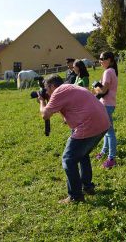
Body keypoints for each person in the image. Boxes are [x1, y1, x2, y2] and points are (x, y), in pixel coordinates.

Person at [38, 74, 110, 204]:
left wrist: (42, 101)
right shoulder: (70, 88)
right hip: (103, 123)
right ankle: (87, 187)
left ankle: (75, 196)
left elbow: (45, 115)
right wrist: (53, 103)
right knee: (82, 154)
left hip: (89, 125)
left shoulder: (59, 91)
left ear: (52, 86)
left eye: (47, 89)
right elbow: (66, 120)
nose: (46, 92)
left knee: (68, 159)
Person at [93, 51, 118, 169]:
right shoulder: (112, 71)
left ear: (109, 60)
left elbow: (103, 91)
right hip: (109, 104)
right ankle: (104, 152)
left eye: (102, 59)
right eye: (99, 58)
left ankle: (111, 158)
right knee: (106, 131)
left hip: (107, 104)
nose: (100, 61)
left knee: (110, 132)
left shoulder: (108, 72)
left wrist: (95, 87)